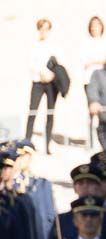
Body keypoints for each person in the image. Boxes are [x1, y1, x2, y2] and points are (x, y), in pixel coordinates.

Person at [26, 19, 59, 153]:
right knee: (33, 111)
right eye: (42, 28)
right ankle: (27, 141)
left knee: (50, 113)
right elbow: (32, 64)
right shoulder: (34, 45)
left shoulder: (54, 46)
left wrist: (51, 74)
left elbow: (58, 63)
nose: (44, 31)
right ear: (38, 29)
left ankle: (48, 145)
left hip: (51, 83)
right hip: (38, 81)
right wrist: (41, 73)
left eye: (46, 28)